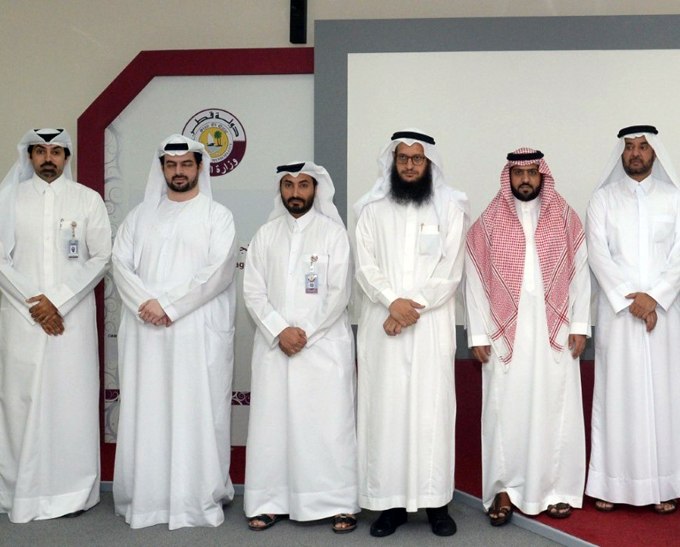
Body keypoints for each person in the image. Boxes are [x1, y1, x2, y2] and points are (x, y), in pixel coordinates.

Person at [111, 135, 237, 529]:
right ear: (162, 168)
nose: (179, 171)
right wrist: (149, 305)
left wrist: (168, 306)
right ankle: (148, 498)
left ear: (200, 166)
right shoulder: (139, 217)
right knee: (148, 410)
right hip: (145, 331)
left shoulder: (218, 216)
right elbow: (120, 265)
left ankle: (197, 496)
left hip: (195, 332)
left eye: (186, 164)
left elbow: (216, 272)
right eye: (171, 164)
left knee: (197, 411)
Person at [0, 128, 110, 522]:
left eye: (56, 151)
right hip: (23, 320)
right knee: (22, 402)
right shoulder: (5, 201)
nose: (48, 158)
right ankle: (23, 493)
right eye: (40, 151)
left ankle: (73, 494)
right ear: (29, 156)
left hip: (71, 321)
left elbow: (101, 257)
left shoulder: (88, 200)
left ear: (67, 157)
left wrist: (57, 300)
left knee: (71, 402)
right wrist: (36, 304)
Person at [465, 148, 589, 525]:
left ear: (542, 176)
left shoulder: (565, 217)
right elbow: (473, 277)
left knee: (557, 410)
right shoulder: (488, 222)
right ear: (509, 176)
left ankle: (555, 490)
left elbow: (581, 272)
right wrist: (478, 332)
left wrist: (581, 325)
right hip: (505, 336)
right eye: (519, 173)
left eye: (532, 173)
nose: (525, 180)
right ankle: (503, 489)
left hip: (558, 330)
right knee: (505, 410)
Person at [354, 130, 469, 537]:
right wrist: (391, 302)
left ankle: (437, 503)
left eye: (416, 159)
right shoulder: (371, 209)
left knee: (431, 414)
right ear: (392, 161)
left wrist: (405, 309)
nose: (408, 165)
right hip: (382, 328)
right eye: (402, 158)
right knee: (385, 414)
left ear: (429, 164)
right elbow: (364, 266)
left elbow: (450, 272)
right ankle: (390, 506)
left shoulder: (450, 208)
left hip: (429, 328)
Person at [585, 125, 680, 514]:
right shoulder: (602, 201)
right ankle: (611, 484)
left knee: (669, 397)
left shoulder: (676, 201)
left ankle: (666, 483)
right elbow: (598, 255)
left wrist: (655, 298)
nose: (635, 154)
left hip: (665, 316)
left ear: (655, 153)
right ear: (622, 154)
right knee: (617, 399)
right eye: (629, 148)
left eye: (643, 147)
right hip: (619, 318)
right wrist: (628, 300)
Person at [242, 161, 359, 533]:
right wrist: (280, 330)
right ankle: (270, 502)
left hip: (322, 348)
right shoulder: (265, 235)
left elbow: (339, 293)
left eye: (303, 185)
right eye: (289, 185)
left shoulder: (333, 235)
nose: (295, 192)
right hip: (276, 347)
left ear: (316, 189)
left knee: (327, 427)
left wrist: (303, 331)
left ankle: (339, 503)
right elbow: (253, 291)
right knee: (272, 427)